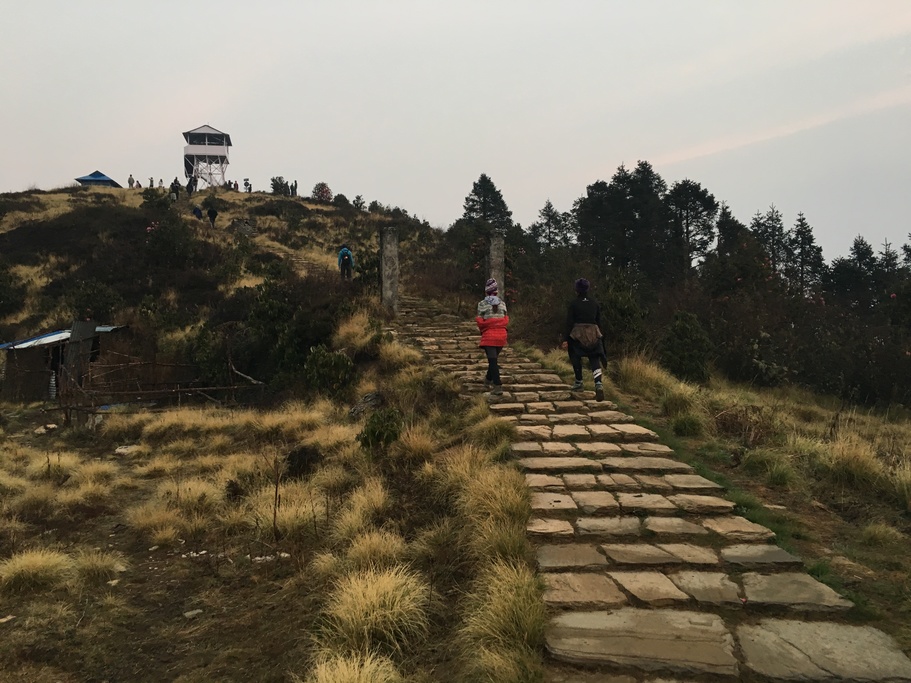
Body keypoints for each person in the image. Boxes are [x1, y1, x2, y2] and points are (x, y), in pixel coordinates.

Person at [562, 277, 606, 401]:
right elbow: (598, 321)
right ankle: (598, 383)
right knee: (594, 358)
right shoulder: (594, 303)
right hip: (593, 332)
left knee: (575, 356)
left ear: (577, 289)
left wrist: (565, 338)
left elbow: (569, 322)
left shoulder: (574, 303)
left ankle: (579, 382)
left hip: (578, 333)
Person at [476, 278, 509, 395]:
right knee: (493, 360)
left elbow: (480, 321)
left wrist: (487, 326)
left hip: (489, 336)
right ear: (496, 291)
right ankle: (487, 380)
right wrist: (497, 323)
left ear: (486, 291)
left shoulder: (482, 304)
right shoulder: (503, 304)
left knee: (492, 361)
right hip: (502, 336)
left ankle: (497, 385)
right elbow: (505, 320)